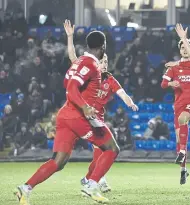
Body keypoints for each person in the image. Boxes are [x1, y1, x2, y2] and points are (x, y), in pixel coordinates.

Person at [15, 28, 115, 205]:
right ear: (103, 46)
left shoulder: (80, 62)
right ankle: (90, 184)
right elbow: (71, 88)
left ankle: (25, 188)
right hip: (79, 117)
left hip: (65, 116)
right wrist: (84, 106)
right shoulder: (90, 64)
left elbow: (67, 81)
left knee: (58, 162)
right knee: (112, 148)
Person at [64, 20, 138, 193]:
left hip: (97, 119)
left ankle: (93, 179)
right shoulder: (89, 71)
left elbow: (122, 94)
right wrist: (70, 37)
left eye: (106, 61)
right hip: (82, 116)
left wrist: (130, 103)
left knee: (103, 150)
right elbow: (73, 58)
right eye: (102, 60)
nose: (103, 63)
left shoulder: (110, 79)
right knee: (104, 149)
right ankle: (94, 180)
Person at [161, 38, 190, 185]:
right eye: (182, 48)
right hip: (178, 104)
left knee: (183, 119)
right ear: (180, 50)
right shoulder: (173, 68)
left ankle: (182, 152)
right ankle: (183, 170)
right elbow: (163, 84)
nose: (185, 50)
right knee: (178, 139)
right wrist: (170, 83)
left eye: (188, 48)